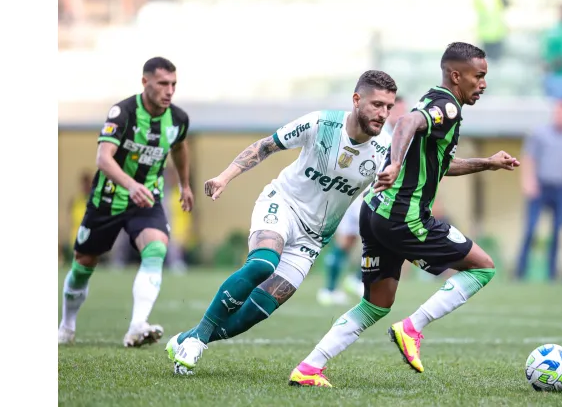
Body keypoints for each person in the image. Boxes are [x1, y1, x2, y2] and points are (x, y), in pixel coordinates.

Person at [288, 42, 520, 387]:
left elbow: (439, 164)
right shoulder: (448, 108)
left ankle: (308, 368)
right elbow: (404, 124)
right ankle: (413, 327)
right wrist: (395, 163)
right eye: (479, 76)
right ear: (457, 76)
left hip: (375, 211)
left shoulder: (434, 100)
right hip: (404, 217)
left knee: (376, 304)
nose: (483, 83)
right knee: (483, 267)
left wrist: (487, 163)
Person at [165, 70, 397, 375]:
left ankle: (189, 338)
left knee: (256, 312)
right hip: (282, 204)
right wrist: (224, 177)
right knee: (263, 264)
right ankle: (196, 343)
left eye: (388, 107)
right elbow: (265, 146)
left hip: (313, 238)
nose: (383, 113)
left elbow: (429, 168)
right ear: (356, 100)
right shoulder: (320, 123)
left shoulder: (386, 150)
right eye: (377, 104)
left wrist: (479, 165)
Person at [58, 57, 194, 347]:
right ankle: (67, 326)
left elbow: (180, 147)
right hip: (108, 198)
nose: (169, 91)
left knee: (156, 247)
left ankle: (136, 326)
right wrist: (130, 184)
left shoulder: (178, 119)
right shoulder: (123, 113)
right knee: (84, 263)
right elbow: (103, 158)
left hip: (147, 199)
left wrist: (184, 184)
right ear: (145, 82)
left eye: (173, 84)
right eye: (162, 84)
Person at [317, 96, 409, 306]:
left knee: (347, 241)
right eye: (397, 110)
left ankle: (330, 289)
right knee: (380, 239)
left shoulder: (386, 132)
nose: (400, 115)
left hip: (354, 193)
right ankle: (357, 280)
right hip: (367, 194)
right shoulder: (384, 135)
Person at [515, 101, 562, 282]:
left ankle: (552, 274)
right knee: (530, 228)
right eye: (559, 113)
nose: (561, 117)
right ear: (554, 114)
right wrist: (528, 181)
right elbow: (529, 158)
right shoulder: (540, 133)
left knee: (557, 231)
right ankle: (520, 271)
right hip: (541, 187)